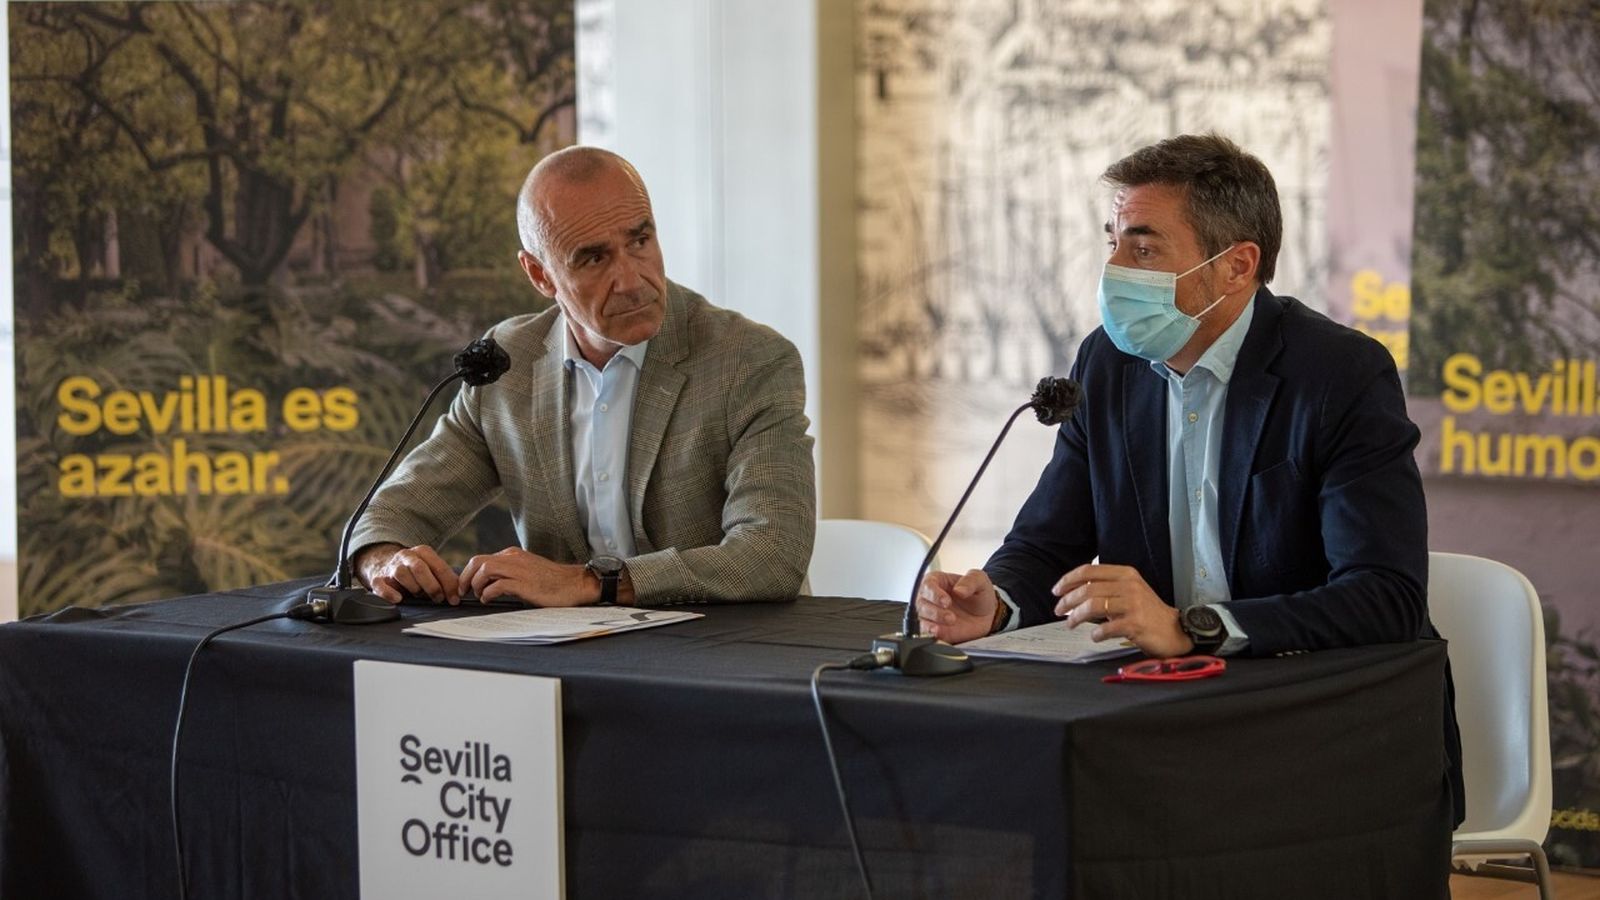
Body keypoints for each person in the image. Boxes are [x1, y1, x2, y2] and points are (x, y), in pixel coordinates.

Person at [915, 133, 1463, 819]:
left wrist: (1195, 626)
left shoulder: (1339, 375)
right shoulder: (1106, 365)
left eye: (1143, 247)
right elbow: (1046, 543)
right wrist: (996, 604)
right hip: (1162, 716)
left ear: (1236, 267)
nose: (1113, 267)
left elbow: (1385, 596)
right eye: (1111, 241)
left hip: (1323, 728)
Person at [349, 146, 815, 608]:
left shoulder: (750, 360)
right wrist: (382, 559)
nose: (631, 280)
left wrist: (593, 583)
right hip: (564, 665)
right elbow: (390, 515)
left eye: (640, 240)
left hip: (722, 657)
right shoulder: (508, 366)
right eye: (593, 259)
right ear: (539, 275)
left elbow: (771, 553)